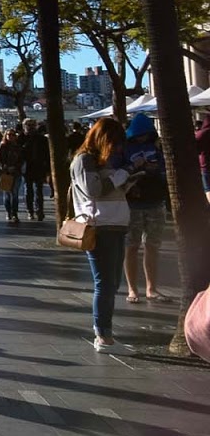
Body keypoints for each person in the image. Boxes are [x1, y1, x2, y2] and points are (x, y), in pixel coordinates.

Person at [71, 116, 136, 352]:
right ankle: (103, 336)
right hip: (101, 227)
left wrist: (126, 179)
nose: (117, 148)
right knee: (105, 283)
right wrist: (123, 175)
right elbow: (94, 191)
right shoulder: (84, 160)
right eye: (115, 142)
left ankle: (106, 334)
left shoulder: (95, 161)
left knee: (111, 282)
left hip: (113, 224)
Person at [122, 114, 170, 304]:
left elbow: (165, 169)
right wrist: (135, 167)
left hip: (155, 201)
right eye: (139, 134)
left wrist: (154, 168)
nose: (142, 138)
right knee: (131, 246)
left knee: (153, 246)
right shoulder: (126, 149)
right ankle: (133, 289)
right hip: (134, 203)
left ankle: (152, 287)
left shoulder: (156, 148)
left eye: (145, 134)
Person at [0, 125, 25, 224]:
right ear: (6, 135)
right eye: (9, 134)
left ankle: (15, 213)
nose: (11, 136)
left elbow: (21, 159)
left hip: (16, 172)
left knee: (15, 193)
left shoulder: (18, 147)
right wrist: (5, 167)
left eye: (13, 135)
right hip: (6, 173)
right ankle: (8, 212)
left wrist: (16, 167)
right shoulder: (2, 146)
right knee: (7, 193)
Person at [22, 120, 50, 221]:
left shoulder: (42, 139)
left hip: (39, 167)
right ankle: (30, 210)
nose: (31, 127)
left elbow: (47, 155)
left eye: (33, 125)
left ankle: (39, 210)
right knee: (28, 190)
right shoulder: (21, 138)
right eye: (29, 125)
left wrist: (48, 169)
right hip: (27, 168)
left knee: (39, 190)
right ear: (24, 126)